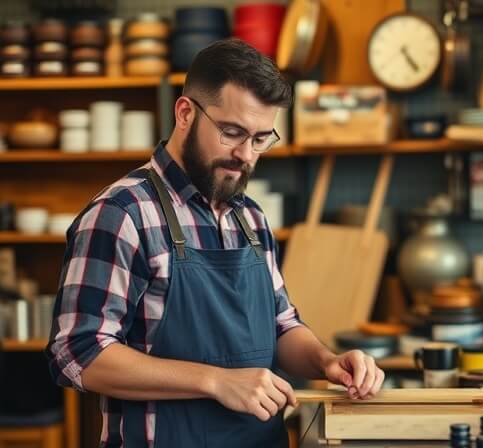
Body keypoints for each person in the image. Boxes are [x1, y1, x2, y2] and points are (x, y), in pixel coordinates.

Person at [45, 38, 384, 447]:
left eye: (261, 139)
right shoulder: (124, 214)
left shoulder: (251, 218)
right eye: (232, 132)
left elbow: (281, 325)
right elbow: (78, 353)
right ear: (185, 113)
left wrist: (326, 361)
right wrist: (214, 381)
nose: (246, 155)